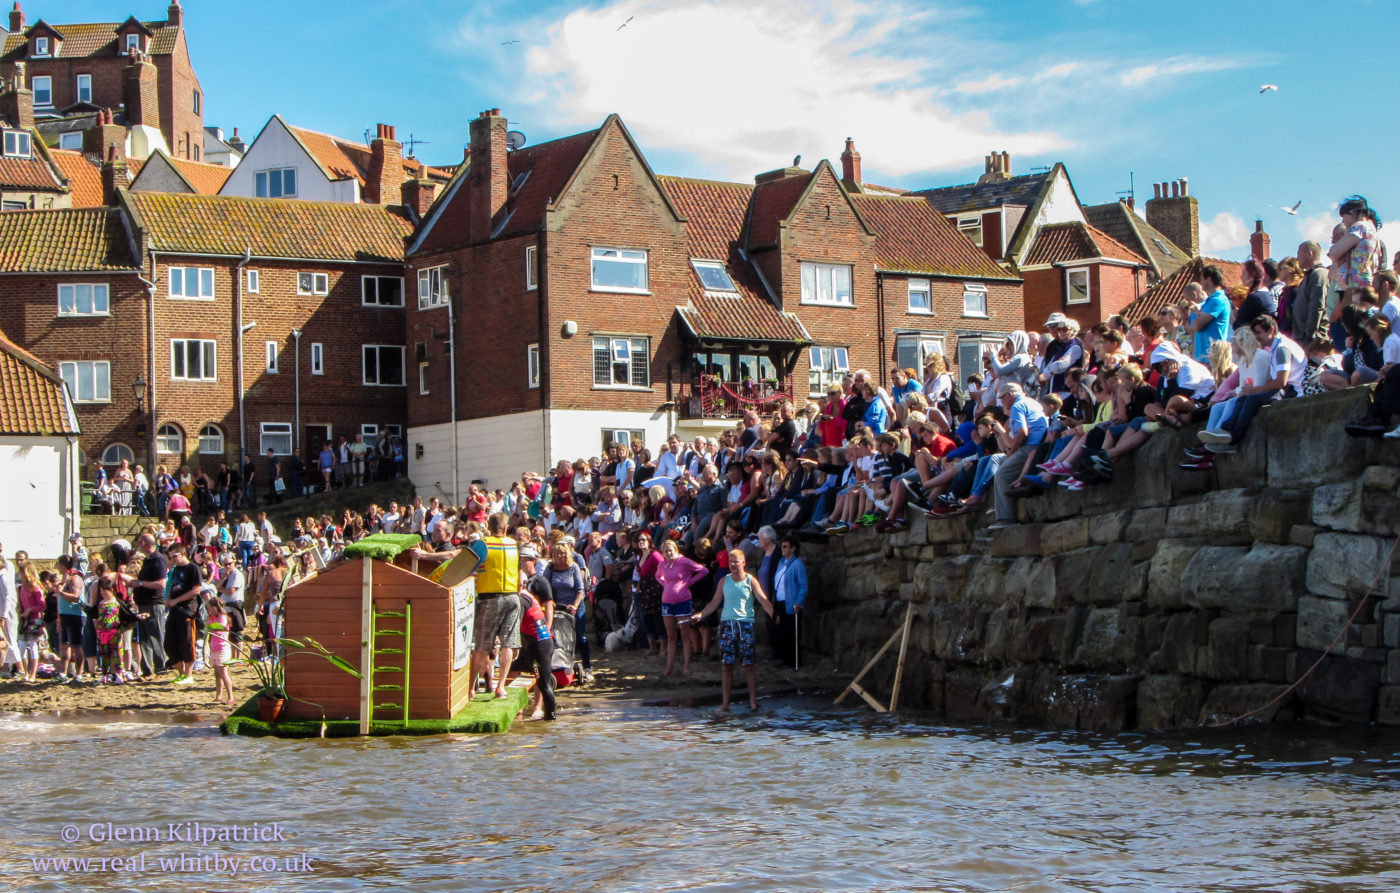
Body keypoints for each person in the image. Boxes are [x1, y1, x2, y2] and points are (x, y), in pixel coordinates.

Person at [1199, 315, 1304, 454]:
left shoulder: (1281, 349)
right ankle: (1223, 431)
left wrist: (1254, 390)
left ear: (1271, 330)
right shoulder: (1274, 348)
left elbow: (1281, 381)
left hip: (1291, 391)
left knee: (1251, 399)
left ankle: (1233, 439)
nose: (1257, 338)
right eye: (1255, 334)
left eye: (1259, 333)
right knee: (1243, 399)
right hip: (1282, 389)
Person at [691, 548, 775, 713]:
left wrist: (773, 614)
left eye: (736, 561)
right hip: (727, 625)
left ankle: (752, 701)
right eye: (730, 562)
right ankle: (725, 703)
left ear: (743, 563)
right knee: (726, 665)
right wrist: (701, 614)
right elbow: (714, 603)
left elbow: (763, 599)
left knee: (749, 664)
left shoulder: (751, 580)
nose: (732, 564)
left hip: (745, 624)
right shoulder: (724, 580)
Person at [471, 513, 521, 700]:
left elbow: (465, 564)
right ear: (506, 528)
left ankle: (470, 688)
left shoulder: (482, 544)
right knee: (508, 644)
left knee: (482, 646)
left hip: (489, 598)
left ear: (488, 526)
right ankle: (501, 687)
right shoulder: (513, 544)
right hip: (512, 597)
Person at [989, 383, 1048, 530]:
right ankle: (1001, 506)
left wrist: (1011, 454)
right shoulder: (1033, 402)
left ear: (1010, 395)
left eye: (1002, 397)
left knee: (1002, 475)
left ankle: (1006, 518)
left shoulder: (1017, 406)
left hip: (1029, 448)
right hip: (1042, 446)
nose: (1001, 401)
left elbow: (1022, 432)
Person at [654, 537, 708, 677]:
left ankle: (686, 667)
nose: (668, 554)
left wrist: (689, 582)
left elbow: (703, 571)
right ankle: (669, 667)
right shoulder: (662, 564)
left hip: (683, 601)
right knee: (671, 636)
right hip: (667, 602)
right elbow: (658, 576)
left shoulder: (684, 562)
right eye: (665, 552)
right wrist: (665, 584)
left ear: (676, 550)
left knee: (684, 634)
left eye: (670, 550)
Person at [130, 534, 168, 677]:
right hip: (143, 604)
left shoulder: (158, 559)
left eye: (139, 542)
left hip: (153, 604)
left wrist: (140, 583)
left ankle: (161, 668)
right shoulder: (147, 559)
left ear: (145, 543)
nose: (138, 544)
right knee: (144, 638)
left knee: (155, 636)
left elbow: (161, 583)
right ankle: (147, 669)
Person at [163, 545, 201, 685]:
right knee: (169, 643)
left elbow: (196, 590)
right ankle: (182, 673)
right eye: (171, 557)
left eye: (175, 556)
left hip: (187, 609)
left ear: (183, 553)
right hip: (174, 609)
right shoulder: (175, 569)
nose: (173, 559)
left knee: (187, 642)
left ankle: (188, 674)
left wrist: (176, 600)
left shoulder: (192, 568)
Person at [770, 534, 808, 667]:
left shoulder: (797, 564)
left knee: (791, 632)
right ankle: (784, 658)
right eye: (782, 546)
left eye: (786, 546)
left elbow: (803, 585)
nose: (783, 549)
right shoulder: (781, 563)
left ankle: (793, 660)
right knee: (781, 631)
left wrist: (799, 601)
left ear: (793, 549)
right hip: (780, 601)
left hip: (791, 602)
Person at [1191, 265, 1233, 361]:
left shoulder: (1218, 300)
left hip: (1212, 357)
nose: (1201, 283)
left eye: (1202, 279)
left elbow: (1197, 325)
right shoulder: (1209, 301)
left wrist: (1197, 315)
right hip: (1204, 356)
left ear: (1208, 280)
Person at [204, 595, 234, 705]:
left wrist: (210, 625)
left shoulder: (222, 617)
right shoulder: (211, 618)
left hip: (222, 648)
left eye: (210, 608)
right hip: (214, 648)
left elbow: (220, 627)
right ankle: (219, 695)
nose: (209, 611)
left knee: (223, 673)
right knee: (217, 673)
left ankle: (230, 696)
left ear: (216, 607)